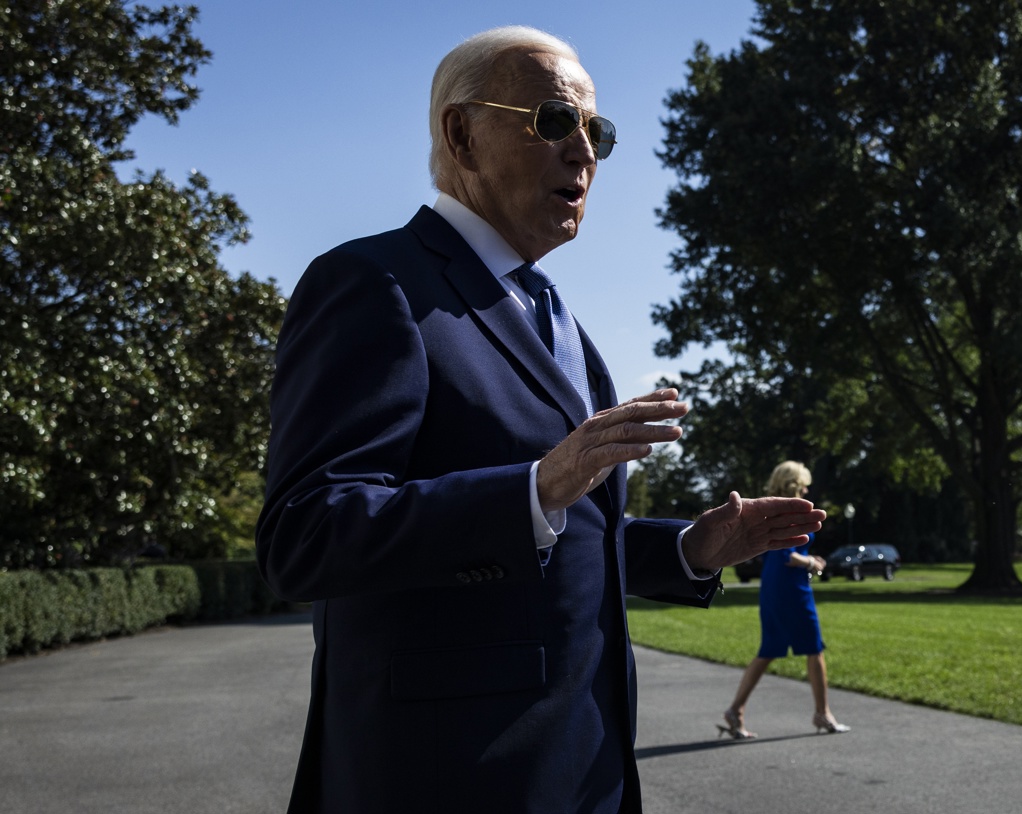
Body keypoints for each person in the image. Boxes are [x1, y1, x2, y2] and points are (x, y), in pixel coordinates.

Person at [255, 25, 826, 814]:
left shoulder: (558, 318)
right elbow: (305, 536)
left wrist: (692, 549)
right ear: (461, 133)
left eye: (598, 133)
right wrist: (536, 485)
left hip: (583, 767)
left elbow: (566, 536)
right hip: (447, 778)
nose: (583, 152)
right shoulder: (373, 284)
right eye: (555, 121)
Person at [718, 461, 850, 740]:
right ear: (794, 483)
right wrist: (811, 562)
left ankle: (735, 710)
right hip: (790, 588)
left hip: (776, 584)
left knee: (770, 650)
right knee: (813, 647)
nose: (807, 487)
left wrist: (808, 561)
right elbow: (785, 555)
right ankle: (822, 713)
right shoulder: (791, 510)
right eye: (804, 482)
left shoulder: (777, 509)